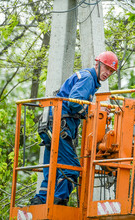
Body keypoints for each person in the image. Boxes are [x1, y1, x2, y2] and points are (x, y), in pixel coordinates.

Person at [30, 51, 118, 205]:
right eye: (106, 68)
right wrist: (95, 110)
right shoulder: (88, 78)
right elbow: (74, 103)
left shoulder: (87, 78)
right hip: (59, 124)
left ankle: (41, 199)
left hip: (53, 122)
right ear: (97, 64)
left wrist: (96, 109)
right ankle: (59, 200)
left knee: (53, 165)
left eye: (111, 71)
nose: (107, 73)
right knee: (71, 167)